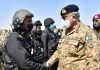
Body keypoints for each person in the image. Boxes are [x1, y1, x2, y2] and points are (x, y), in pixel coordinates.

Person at [46, 4, 99, 70]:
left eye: (64, 17)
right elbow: (59, 51)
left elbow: (93, 59)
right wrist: (49, 63)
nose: (62, 20)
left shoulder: (87, 32)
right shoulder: (65, 32)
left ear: (74, 17)